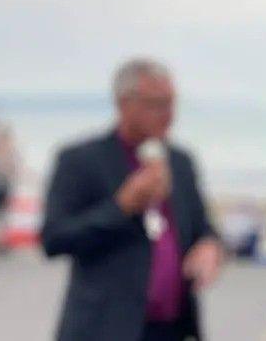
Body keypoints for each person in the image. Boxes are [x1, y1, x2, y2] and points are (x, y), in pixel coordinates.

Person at [41, 58, 225, 341]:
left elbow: (202, 226)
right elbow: (53, 239)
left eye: (171, 103)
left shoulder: (180, 162)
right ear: (124, 104)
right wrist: (121, 207)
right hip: (103, 329)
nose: (168, 114)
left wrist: (211, 247)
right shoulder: (81, 160)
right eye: (156, 104)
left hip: (171, 327)